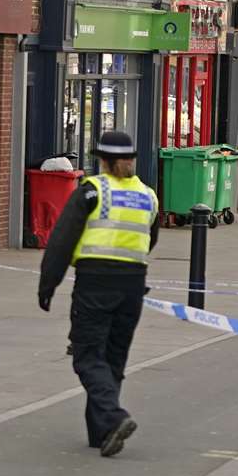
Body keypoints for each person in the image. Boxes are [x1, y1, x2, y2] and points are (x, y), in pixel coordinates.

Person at [38, 130, 159, 457]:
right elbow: (151, 238)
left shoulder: (92, 191)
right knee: (113, 358)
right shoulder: (148, 195)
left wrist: (48, 285)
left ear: (102, 160)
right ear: (132, 159)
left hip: (95, 281)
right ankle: (102, 432)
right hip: (133, 283)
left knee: (87, 355)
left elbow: (62, 240)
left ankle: (114, 416)